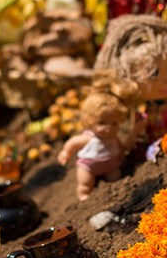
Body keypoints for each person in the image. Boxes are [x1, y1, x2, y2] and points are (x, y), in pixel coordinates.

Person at [94, 14, 167, 150]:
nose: (165, 81)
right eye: (153, 73)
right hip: (152, 147)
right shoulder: (142, 114)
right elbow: (134, 133)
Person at [57, 72, 139, 201]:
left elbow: (119, 145)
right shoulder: (88, 138)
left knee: (115, 175)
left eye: (114, 123)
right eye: (102, 123)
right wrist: (66, 152)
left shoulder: (113, 137)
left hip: (110, 163)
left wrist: (122, 151)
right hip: (89, 166)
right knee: (85, 181)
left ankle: (115, 187)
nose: (108, 128)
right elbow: (73, 142)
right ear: (89, 121)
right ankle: (84, 194)